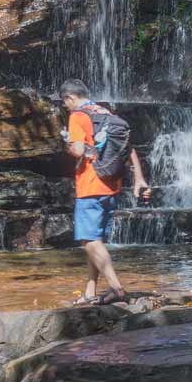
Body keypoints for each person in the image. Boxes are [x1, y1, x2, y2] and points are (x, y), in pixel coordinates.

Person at [60, 79, 149, 305]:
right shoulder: (107, 115)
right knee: (95, 241)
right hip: (111, 184)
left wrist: (68, 144)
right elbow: (129, 148)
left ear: (70, 98)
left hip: (91, 184)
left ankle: (116, 288)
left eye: (65, 103)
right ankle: (90, 291)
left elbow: (78, 150)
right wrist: (139, 179)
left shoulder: (78, 116)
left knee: (89, 240)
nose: (66, 108)